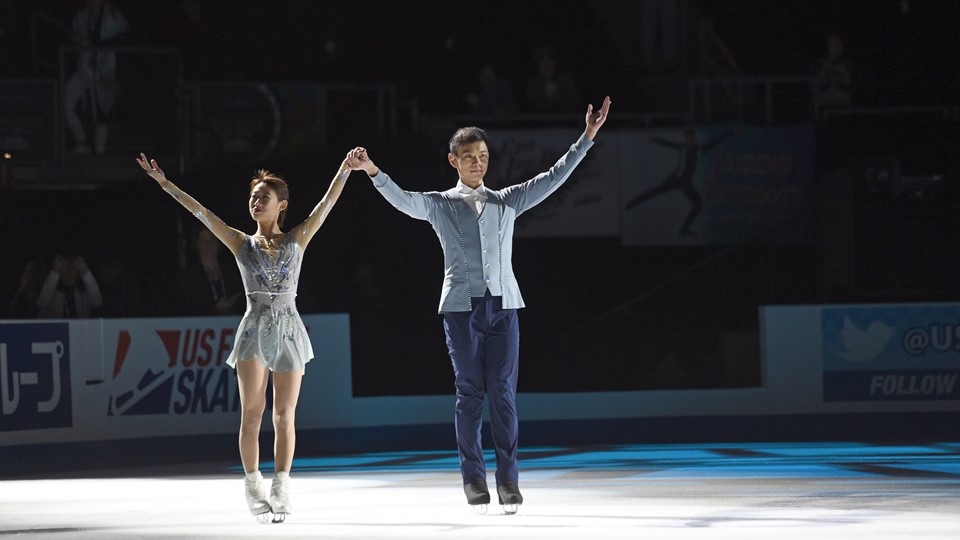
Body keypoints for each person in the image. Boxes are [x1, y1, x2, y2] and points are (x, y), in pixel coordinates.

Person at [345, 95, 611, 513]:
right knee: (470, 394)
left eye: (483, 155)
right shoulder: (440, 204)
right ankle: (473, 480)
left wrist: (587, 136)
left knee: (503, 393)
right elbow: (401, 199)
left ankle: (508, 480)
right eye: (468, 156)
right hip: (459, 310)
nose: (477, 162)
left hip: (504, 308)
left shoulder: (507, 200)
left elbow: (554, 178)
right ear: (453, 160)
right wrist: (372, 170)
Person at [137, 151, 352, 522]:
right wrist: (165, 184)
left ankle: (281, 485)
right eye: (252, 197)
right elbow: (201, 212)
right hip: (254, 329)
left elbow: (326, 203)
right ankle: (253, 483)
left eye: (262, 198)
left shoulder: (298, 238)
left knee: (285, 415)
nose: (254, 202)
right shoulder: (240, 243)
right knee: (252, 414)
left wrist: (345, 168)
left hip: (288, 328)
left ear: (280, 205)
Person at [625, 126, 736, 238]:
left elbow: (715, 142)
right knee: (654, 191)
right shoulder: (682, 147)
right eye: (686, 138)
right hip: (676, 179)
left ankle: (684, 229)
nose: (688, 140)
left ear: (693, 138)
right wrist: (653, 138)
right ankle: (630, 206)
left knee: (698, 204)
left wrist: (731, 132)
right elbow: (667, 143)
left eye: (690, 138)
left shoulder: (699, 149)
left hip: (686, 183)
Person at [64, 0, 129, 155]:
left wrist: (97, 45)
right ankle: (82, 141)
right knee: (67, 103)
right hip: (84, 68)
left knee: (101, 107)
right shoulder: (82, 17)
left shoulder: (112, 17)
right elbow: (75, 36)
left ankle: (100, 150)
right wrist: (80, 40)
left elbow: (121, 34)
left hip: (104, 70)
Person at [178, 226, 244, 316]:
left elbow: (241, 298)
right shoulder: (190, 274)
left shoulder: (231, 271)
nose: (207, 244)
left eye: (211, 239)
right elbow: (187, 306)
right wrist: (215, 308)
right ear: (197, 244)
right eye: (203, 240)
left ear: (218, 242)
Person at [36, 254, 103, 318]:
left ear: (78, 272)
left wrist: (85, 270)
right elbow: (42, 302)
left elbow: (97, 301)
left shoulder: (84, 294)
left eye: (73, 267)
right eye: (65, 267)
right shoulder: (52, 294)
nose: (69, 269)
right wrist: (55, 271)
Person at [524, 46, 581, 113]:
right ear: (538, 65)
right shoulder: (533, 85)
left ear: (555, 63)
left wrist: (557, 96)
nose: (546, 64)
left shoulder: (565, 81)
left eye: (549, 60)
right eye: (543, 61)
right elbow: (531, 106)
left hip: (564, 119)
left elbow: (575, 102)